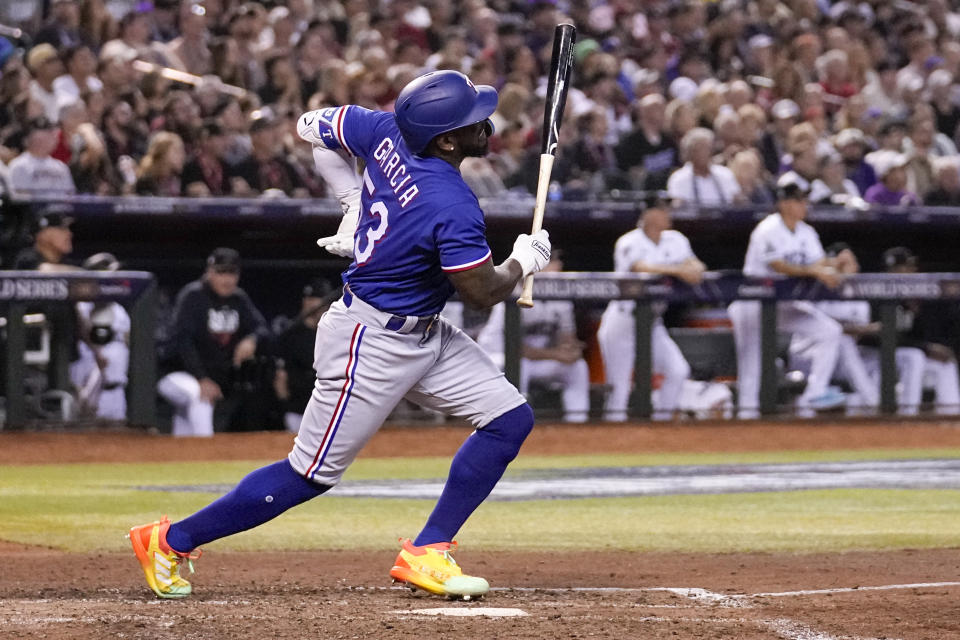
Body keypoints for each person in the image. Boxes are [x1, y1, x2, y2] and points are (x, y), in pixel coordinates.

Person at [129, 70, 552, 601]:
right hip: (372, 341)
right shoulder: (451, 202)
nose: (486, 126)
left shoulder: (386, 130)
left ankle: (427, 550)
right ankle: (169, 540)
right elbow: (482, 292)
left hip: (422, 332)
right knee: (309, 474)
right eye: (474, 121)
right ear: (446, 139)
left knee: (509, 419)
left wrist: (351, 200)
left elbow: (311, 127)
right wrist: (523, 260)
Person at [727, 172, 846, 419]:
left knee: (829, 331)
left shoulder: (806, 232)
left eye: (804, 200)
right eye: (799, 200)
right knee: (751, 366)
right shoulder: (768, 229)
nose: (805, 205)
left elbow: (821, 263)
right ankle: (746, 420)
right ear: (784, 203)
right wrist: (815, 270)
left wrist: (838, 265)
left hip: (784, 304)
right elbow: (778, 266)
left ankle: (814, 394)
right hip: (754, 304)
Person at [596, 193, 705, 421]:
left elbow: (696, 267)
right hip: (623, 321)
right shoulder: (628, 241)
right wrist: (678, 270)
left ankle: (661, 424)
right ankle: (610, 445)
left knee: (678, 370)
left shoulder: (676, 239)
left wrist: (691, 268)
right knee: (620, 388)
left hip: (653, 322)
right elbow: (641, 268)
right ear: (648, 214)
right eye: (663, 209)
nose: (668, 214)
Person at [156, 248, 268, 437]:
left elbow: (263, 329)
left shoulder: (238, 298)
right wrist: (201, 378)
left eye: (231, 273)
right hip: (173, 373)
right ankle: (206, 450)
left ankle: (181, 457)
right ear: (209, 272)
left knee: (187, 419)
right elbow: (183, 341)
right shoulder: (193, 295)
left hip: (207, 377)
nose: (227, 279)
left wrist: (251, 339)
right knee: (199, 396)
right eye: (221, 272)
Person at [476, 250, 590, 423]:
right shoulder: (514, 292)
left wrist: (571, 349)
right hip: (497, 358)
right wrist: (557, 354)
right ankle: (515, 421)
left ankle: (578, 424)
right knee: (520, 365)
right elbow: (514, 347)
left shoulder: (560, 297)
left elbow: (566, 336)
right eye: (551, 264)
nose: (557, 269)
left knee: (577, 366)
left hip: (536, 360)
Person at [270, 278, 337, 433]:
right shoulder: (290, 334)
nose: (311, 304)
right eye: (308, 299)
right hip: (298, 411)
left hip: (328, 411)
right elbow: (280, 375)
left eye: (316, 299)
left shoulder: (335, 333)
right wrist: (285, 407)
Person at [70, 252, 131, 420]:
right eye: (109, 275)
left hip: (117, 393)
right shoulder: (80, 308)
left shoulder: (120, 311)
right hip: (86, 391)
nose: (114, 279)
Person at [666, 127, 741, 206]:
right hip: (693, 218)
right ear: (689, 152)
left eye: (707, 148)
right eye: (698, 149)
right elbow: (676, 207)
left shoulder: (725, 174)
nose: (703, 153)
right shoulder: (678, 179)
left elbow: (738, 202)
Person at [7, 117, 77, 197]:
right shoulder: (19, 166)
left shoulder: (61, 167)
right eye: (40, 140)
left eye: (50, 138)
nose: (45, 143)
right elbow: (19, 199)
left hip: (60, 209)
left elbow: (70, 196)